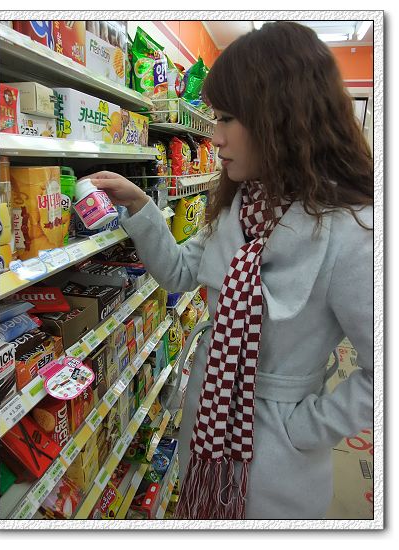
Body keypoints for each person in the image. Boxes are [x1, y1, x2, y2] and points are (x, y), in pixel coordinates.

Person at [85, 21, 373, 520]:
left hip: (277, 464)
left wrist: (304, 426)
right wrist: (139, 206)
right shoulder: (239, 205)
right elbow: (179, 274)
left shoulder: (353, 232)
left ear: (280, 117)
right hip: (206, 430)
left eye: (226, 118)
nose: (214, 137)